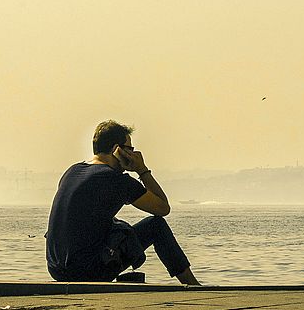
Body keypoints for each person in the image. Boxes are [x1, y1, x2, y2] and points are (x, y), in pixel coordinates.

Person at [46, 120, 200, 285]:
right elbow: (162, 208)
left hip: (57, 270)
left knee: (113, 224)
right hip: (87, 271)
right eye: (130, 149)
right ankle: (193, 285)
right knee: (156, 226)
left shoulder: (72, 172)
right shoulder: (116, 180)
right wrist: (142, 169)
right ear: (116, 150)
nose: (133, 154)